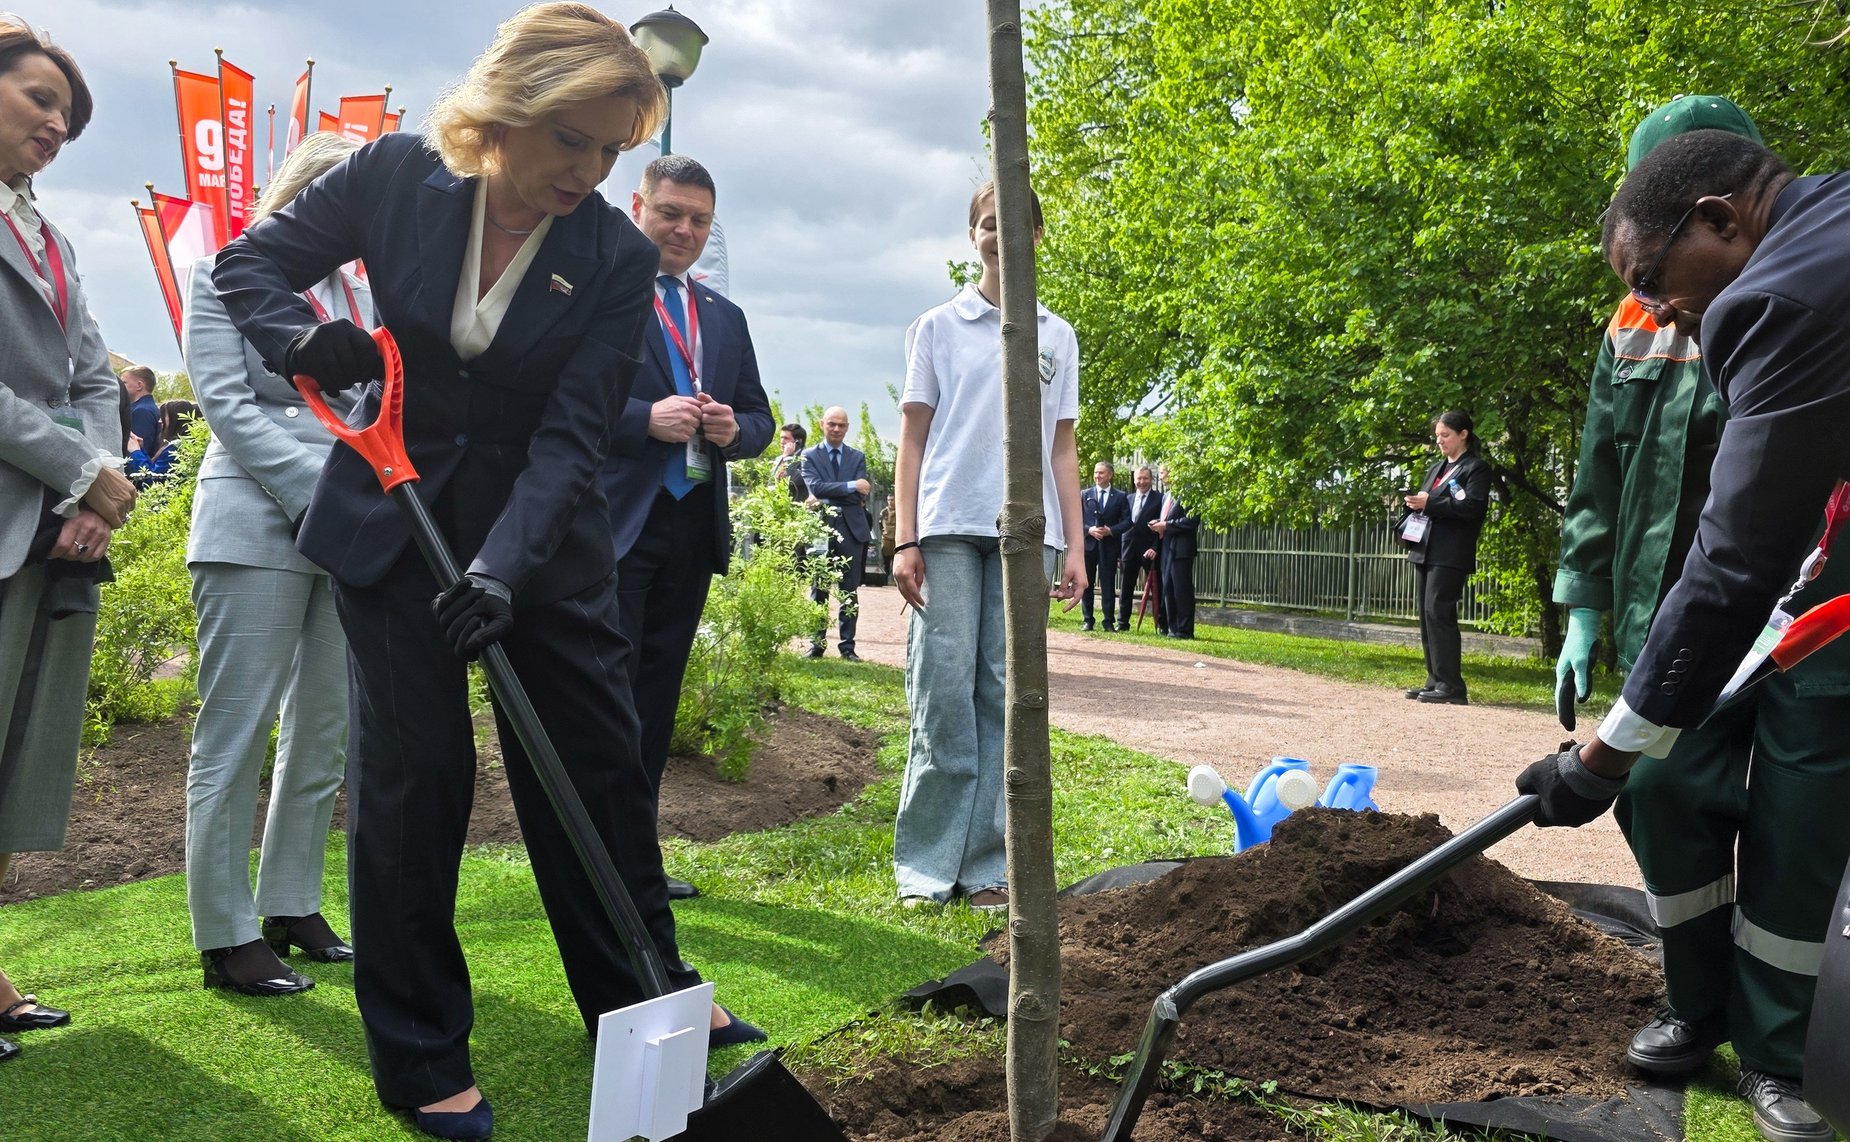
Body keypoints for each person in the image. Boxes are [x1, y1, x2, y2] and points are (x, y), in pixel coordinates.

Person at [212, 7, 754, 1136]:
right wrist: (296, 337)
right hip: (392, 525)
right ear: (512, 109)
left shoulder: (610, 252)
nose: (590, 172)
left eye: (610, 151)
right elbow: (249, 262)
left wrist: (504, 569)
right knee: (417, 785)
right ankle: (420, 1056)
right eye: (575, 142)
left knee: (598, 770)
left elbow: (572, 432)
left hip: (543, 547)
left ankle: (641, 1001)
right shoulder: (392, 176)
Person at [1519, 128, 1850, 1142]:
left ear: (1717, 216)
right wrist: (1585, 602)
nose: (1653, 306)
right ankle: (1694, 1002)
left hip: (1784, 594)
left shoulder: (1773, 296)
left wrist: (1601, 754)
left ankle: (1775, 1053)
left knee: (1800, 816)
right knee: (1670, 790)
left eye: (1653, 276)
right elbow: (1607, 472)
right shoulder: (1816, 229)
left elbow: (1735, 556)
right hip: (1713, 597)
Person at [182, 132, 369, 1000]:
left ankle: (291, 901)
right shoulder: (228, 268)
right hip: (257, 519)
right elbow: (224, 403)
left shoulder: (365, 291)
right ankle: (225, 932)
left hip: (351, 523)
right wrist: (320, 495)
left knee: (324, 726)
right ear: (304, 197)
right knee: (238, 729)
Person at [890, 179, 1084, 912]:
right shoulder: (937, 327)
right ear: (973, 236)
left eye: (1015, 224)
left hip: (1025, 535)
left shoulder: (1056, 335)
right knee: (942, 691)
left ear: (1038, 237)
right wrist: (904, 536)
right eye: (987, 223)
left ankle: (986, 867)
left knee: (1004, 695)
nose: (1001, 235)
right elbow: (912, 441)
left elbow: (1062, 449)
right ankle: (925, 867)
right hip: (944, 529)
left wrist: (1074, 545)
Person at [0, 17, 136, 1064]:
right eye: (41, 100)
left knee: (13, 766)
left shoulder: (52, 237)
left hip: (45, 534)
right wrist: (76, 466)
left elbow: (95, 374)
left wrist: (97, 488)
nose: (57, 126)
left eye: (68, 116)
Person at [602, 153, 772, 901]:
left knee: (656, 702)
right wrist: (646, 419)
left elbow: (763, 418)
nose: (684, 229)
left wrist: (737, 430)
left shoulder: (725, 318)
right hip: (613, 528)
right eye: (670, 212)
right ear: (638, 205)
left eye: (699, 219)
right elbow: (554, 404)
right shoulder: (598, 296)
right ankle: (590, 855)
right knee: (604, 701)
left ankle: (637, 861)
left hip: (690, 530)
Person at [1400, 409, 1490, 705]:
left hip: (1450, 553)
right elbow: (1432, 503)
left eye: (1445, 435)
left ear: (1463, 434)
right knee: (1426, 616)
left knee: (1440, 613)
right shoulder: (1436, 468)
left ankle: (1452, 685)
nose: (1439, 441)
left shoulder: (1475, 469)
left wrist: (1432, 502)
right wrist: (1416, 504)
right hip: (1425, 550)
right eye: (1437, 436)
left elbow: (1472, 508)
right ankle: (1435, 679)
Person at [801, 405, 872, 661]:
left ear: (847, 427)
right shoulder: (809, 456)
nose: (837, 429)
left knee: (849, 590)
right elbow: (817, 488)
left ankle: (847, 648)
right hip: (821, 526)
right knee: (818, 587)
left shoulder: (857, 457)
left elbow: (862, 494)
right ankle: (817, 645)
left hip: (851, 528)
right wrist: (852, 485)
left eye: (842, 425)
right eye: (832, 424)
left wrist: (830, 492)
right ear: (822, 424)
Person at [1152, 464, 1198, 639]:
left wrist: (1167, 525)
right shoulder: (1167, 496)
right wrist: (1158, 523)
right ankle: (1173, 628)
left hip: (1181, 549)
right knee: (1168, 588)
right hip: (1167, 547)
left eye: (1162, 472)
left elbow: (1191, 521)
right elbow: (1167, 518)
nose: (1161, 476)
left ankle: (1185, 630)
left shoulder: (1189, 494)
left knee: (1181, 589)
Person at [1079, 460, 1126, 631]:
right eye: (1096, 472)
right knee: (1087, 584)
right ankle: (1087, 619)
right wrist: (1089, 529)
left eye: (1101, 473)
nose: (1097, 476)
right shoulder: (1085, 494)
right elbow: (1076, 520)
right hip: (1089, 546)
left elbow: (1128, 521)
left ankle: (1108, 622)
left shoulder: (1120, 496)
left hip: (1109, 547)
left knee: (1108, 585)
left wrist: (1111, 530)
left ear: (1110, 475)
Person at [1117, 464, 1162, 631]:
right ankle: (1122, 623)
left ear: (1151, 479)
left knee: (1158, 587)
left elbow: (1161, 527)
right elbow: (1121, 525)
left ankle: (1161, 624)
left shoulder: (1159, 499)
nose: (1142, 482)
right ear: (1134, 480)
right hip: (1128, 548)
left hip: (1149, 550)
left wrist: (1155, 547)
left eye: (1145, 478)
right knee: (1126, 588)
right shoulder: (1127, 499)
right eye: (1139, 478)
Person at [125, 397, 198, 482]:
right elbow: (154, 468)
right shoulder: (182, 444)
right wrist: (141, 450)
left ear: (175, 419)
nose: (160, 421)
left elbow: (152, 479)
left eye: (164, 417)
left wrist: (136, 452)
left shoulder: (175, 448)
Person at [120, 364, 161, 460]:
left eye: (123, 383)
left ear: (139, 385)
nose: (119, 387)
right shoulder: (147, 408)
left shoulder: (142, 411)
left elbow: (136, 451)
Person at [773, 421, 808, 502]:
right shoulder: (779, 459)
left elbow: (794, 481)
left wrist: (787, 458)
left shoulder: (806, 459)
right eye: (781, 437)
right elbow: (771, 480)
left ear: (798, 441)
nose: (782, 441)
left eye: (786, 438)